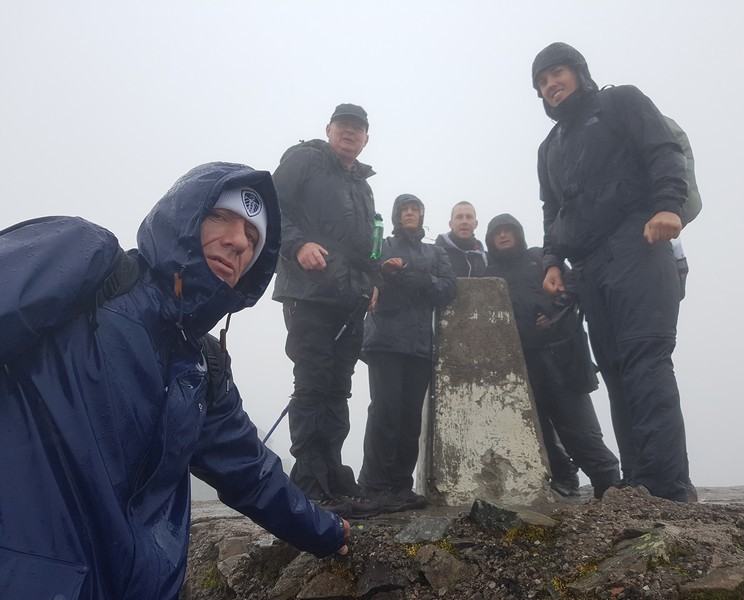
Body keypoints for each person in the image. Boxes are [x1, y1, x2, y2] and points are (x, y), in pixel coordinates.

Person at [0, 162, 349, 600]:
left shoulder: (204, 367)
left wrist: (329, 532)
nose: (239, 240)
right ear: (183, 215)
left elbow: (251, 474)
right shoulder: (88, 263)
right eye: (220, 217)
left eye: (254, 237)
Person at [532, 42, 691, 501]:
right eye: (541, 84)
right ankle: (640, 482)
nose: (550, 86)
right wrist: (551, 262)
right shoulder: (549, 148)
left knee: (646, 358)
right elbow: (551, 211)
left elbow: (661, 150)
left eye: (556, 74)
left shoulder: (622, 101)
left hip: (639, 243)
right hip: (588, 266)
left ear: (578, 71)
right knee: (617, 370)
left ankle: (668, 485)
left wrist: (667, 206)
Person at [272, 103, 379, 517]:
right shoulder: (305, 160)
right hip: (308, 292)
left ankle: (333, 477)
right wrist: (298, 244)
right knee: (313, 382)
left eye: (358, 129)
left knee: (338, 387)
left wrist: (373, 284)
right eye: (344, 126)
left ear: (366, 138)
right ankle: (309, 482)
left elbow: (367, 246)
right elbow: (269, 205)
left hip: (349, 300)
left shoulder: (363, 186)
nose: (350, 133)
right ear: (329, 129)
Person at [485, 214, 621, 499]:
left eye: (509, 230)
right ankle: (565, 477)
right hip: (520, 362)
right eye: (497, 232)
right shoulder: (488, 272)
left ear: (519, 234)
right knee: (538, 428)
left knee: (578, 426)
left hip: (561, 356)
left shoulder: (540, 260)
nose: (504, 236)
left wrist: (553, 312)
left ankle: (608, 482)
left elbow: (572, 288)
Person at [358, 194, 456, 511]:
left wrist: (411, 276)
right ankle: (373, 485)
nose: (410, 214)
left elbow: (447, 288)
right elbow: (367, 273)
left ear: (422, 215)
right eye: (404, 210)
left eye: (415, 209)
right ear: (397, 216)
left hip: (419, 347)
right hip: (385, 340)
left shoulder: (435, 251)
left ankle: (400, 485)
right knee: (385, 411)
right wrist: (386, 274)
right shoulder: (382, 246)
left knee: (410, 418)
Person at [435, 201, 488, 277]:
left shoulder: (485, 259)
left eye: (469, 217)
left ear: (476, 224)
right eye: (459, 217)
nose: (464, 221)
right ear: (450, 224)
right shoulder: (435, 255)